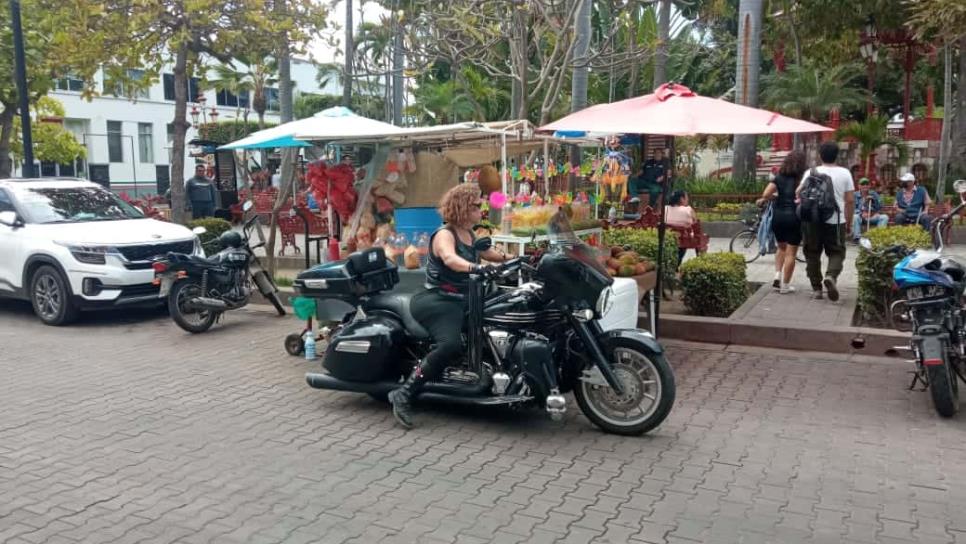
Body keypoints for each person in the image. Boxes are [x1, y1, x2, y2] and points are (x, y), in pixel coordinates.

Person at [387, 183, 511, 429]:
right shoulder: (445, 234)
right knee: (451, 344)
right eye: (477, 205)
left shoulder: (471, 234)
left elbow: (492, 254)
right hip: (439, 300)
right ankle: (404, 393)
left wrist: (520, 259)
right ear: (463, 207)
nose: (481, 210)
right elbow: (450, 258)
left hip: (464, 299)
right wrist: (475, 267)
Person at [797, 141, 854, 302]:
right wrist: (849, 222)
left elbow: (798, 192)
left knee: (812, 253)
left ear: (820, 155)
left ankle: (816, 289)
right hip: (836, 220)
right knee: (837, 251)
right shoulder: (845, 173)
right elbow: (849, 200)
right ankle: (831, 276)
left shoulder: (811, 172)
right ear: (837, 155)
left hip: (812, 220)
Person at [757, 150, 806, 294]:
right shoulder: (802, 179)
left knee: (781, 247)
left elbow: (766, 194)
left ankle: (777, 275)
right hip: (795, 217)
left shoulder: (779, 177)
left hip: (778, 217)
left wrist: (777, 196)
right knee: (791, 252)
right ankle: (785, 285)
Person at [665, 190, 698, 264]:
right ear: (681, 199)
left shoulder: (665, 209)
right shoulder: (688, 210)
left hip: (668, 237)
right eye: (686, 197)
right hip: (684, 238)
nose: (688, 199)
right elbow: (696, 222)